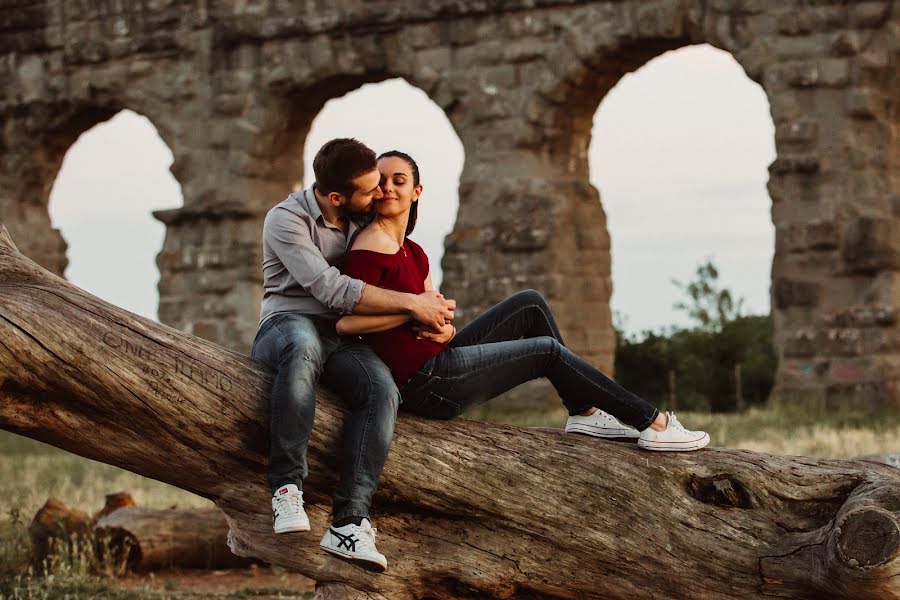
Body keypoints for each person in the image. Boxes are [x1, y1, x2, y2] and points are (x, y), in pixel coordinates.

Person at [337, 150, 710, 453]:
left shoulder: (414, 250)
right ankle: (653, 422)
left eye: (398, 181)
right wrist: (411, 310)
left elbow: (434, 312)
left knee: (529, 303)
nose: (387, 188)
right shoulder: (368, 246)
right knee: (545, 351)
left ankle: (583, 411)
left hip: (438, 360)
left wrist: (444, 327)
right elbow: (348, 322)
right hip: (425, 383)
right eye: (380, 182)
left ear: (417, 191)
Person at [251, 139, 456, 572]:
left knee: (381, 389)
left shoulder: (358, 212)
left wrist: (431, 313)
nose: (380, 194)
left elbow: (397, 257)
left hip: (341, 337)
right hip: (285, 325)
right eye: (371, 189)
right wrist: (410, 304)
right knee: (303, 345)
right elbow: (331, 289)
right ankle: (286, 488)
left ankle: (349, 521)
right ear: (337, 197)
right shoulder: (286, 219)